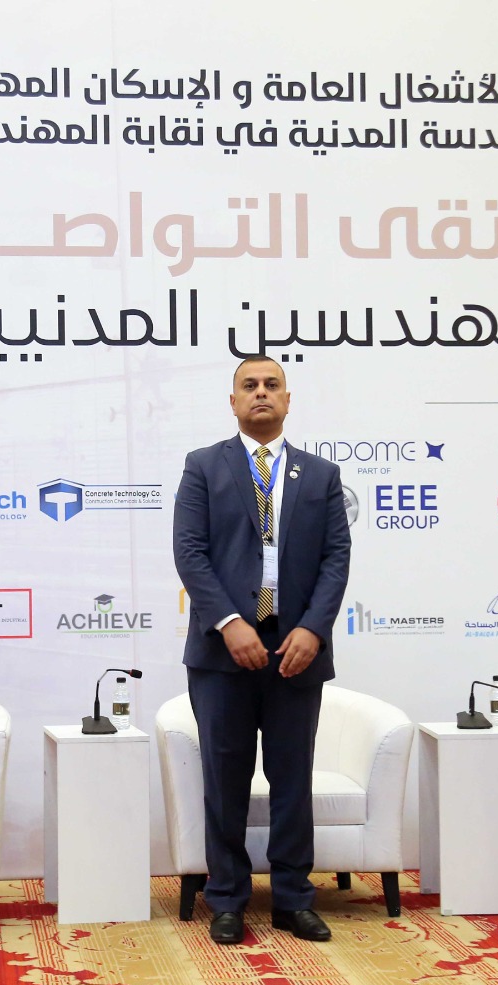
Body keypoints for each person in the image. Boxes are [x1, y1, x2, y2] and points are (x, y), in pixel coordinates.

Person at [173, 356, 351, 944]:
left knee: (292, 779)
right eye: (248, 386)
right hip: (223, 653)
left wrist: (314, 628)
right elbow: (190, 551)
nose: (261, 393)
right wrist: (229, 622)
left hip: (297, 651)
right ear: (233, 401)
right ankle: (227, 898)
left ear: (288, 399)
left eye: (272, 385)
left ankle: (294, 898)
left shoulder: (321, 475)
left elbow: (336, 558)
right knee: (225, 780)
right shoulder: (204, 466)